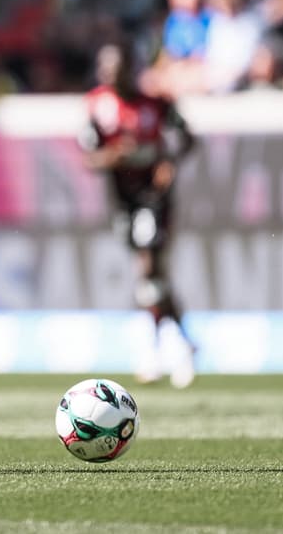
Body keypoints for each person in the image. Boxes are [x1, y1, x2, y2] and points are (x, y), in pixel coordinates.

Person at [80, 43, 198, 388]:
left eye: (115, 70)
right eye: (104, 71)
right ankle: (184, 339)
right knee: (154, 277)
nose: (109, 77)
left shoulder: (156, 103)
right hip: (123, 200)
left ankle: (152, 348)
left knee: (148, 267)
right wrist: (114, 156)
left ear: (130, 69)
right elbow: (90, 158)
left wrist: (168, 162)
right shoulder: (97, 106)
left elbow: (187, 139)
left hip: (154, 197)